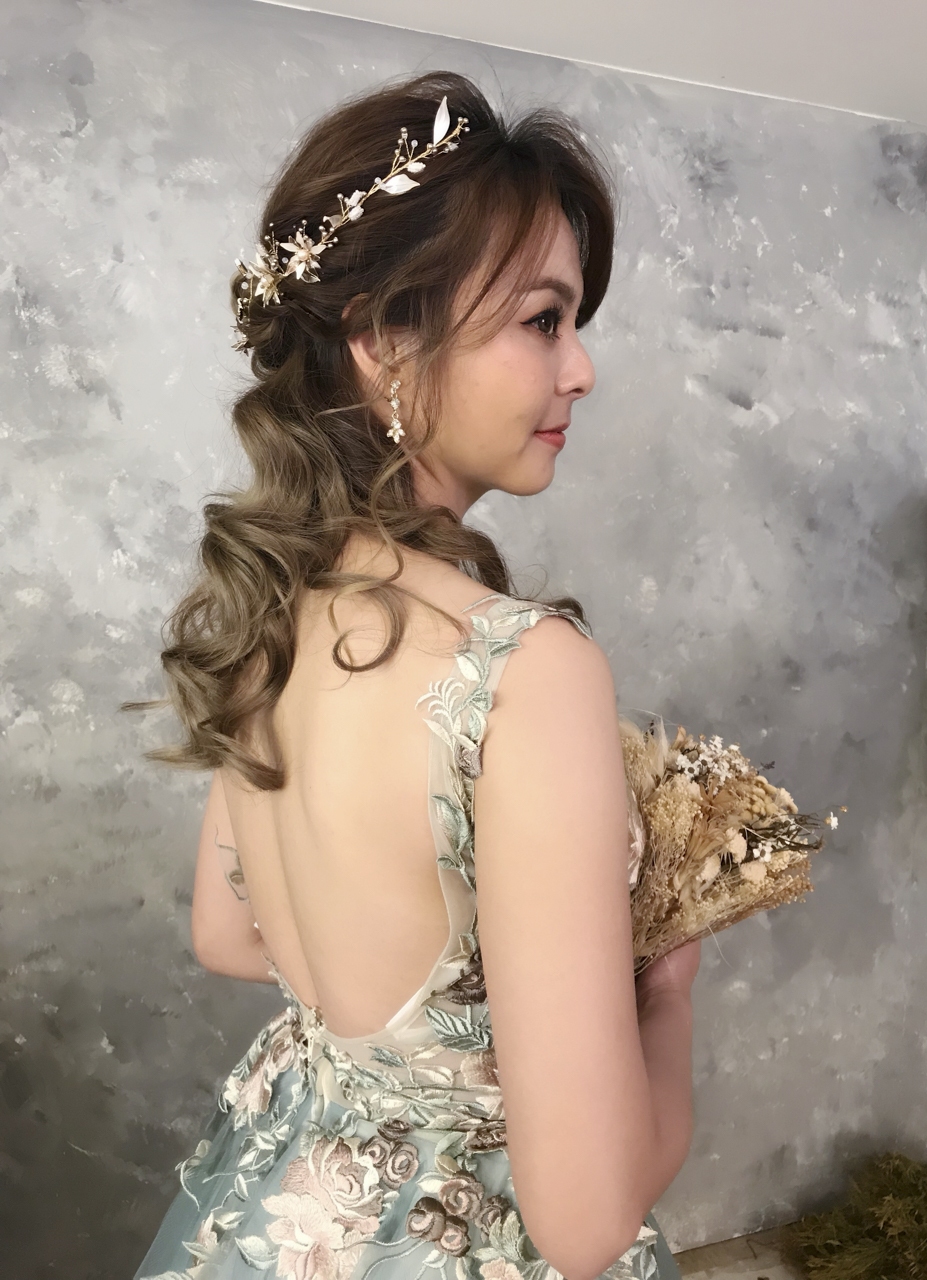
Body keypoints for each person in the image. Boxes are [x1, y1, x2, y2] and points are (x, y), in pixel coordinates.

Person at [131, 70, 700, 1280]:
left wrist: (407, 1042)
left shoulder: (270, 607)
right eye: (543, 320)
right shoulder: (526, 672)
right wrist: (665, 996)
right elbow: (584, 1222)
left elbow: (227, 933)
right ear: (387, 337)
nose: (582, 368)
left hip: (283, 1206)